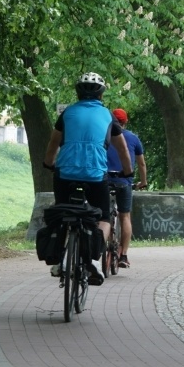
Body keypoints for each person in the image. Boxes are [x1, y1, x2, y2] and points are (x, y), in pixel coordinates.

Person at [43, 72, 133, 285]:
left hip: (64, 173)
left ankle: (60, 258)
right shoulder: (108, 116)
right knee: (103, 218)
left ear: (77, 92)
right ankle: (90, 255)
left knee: (63, 211)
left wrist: (48, 163)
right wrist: (128, 172)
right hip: (95, 175)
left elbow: (53, 144)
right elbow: (122, 150)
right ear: (101, 94)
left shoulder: (67, 113)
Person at [106, 108, 148, 268]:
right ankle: (123, 255)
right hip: (124, 181)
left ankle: (99, 250)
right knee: (124, 216)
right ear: (125, 121)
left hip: (104, 180)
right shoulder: (133, 138)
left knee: (102, 216)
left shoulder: (104, 136)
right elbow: (141, 163)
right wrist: (143, 182)